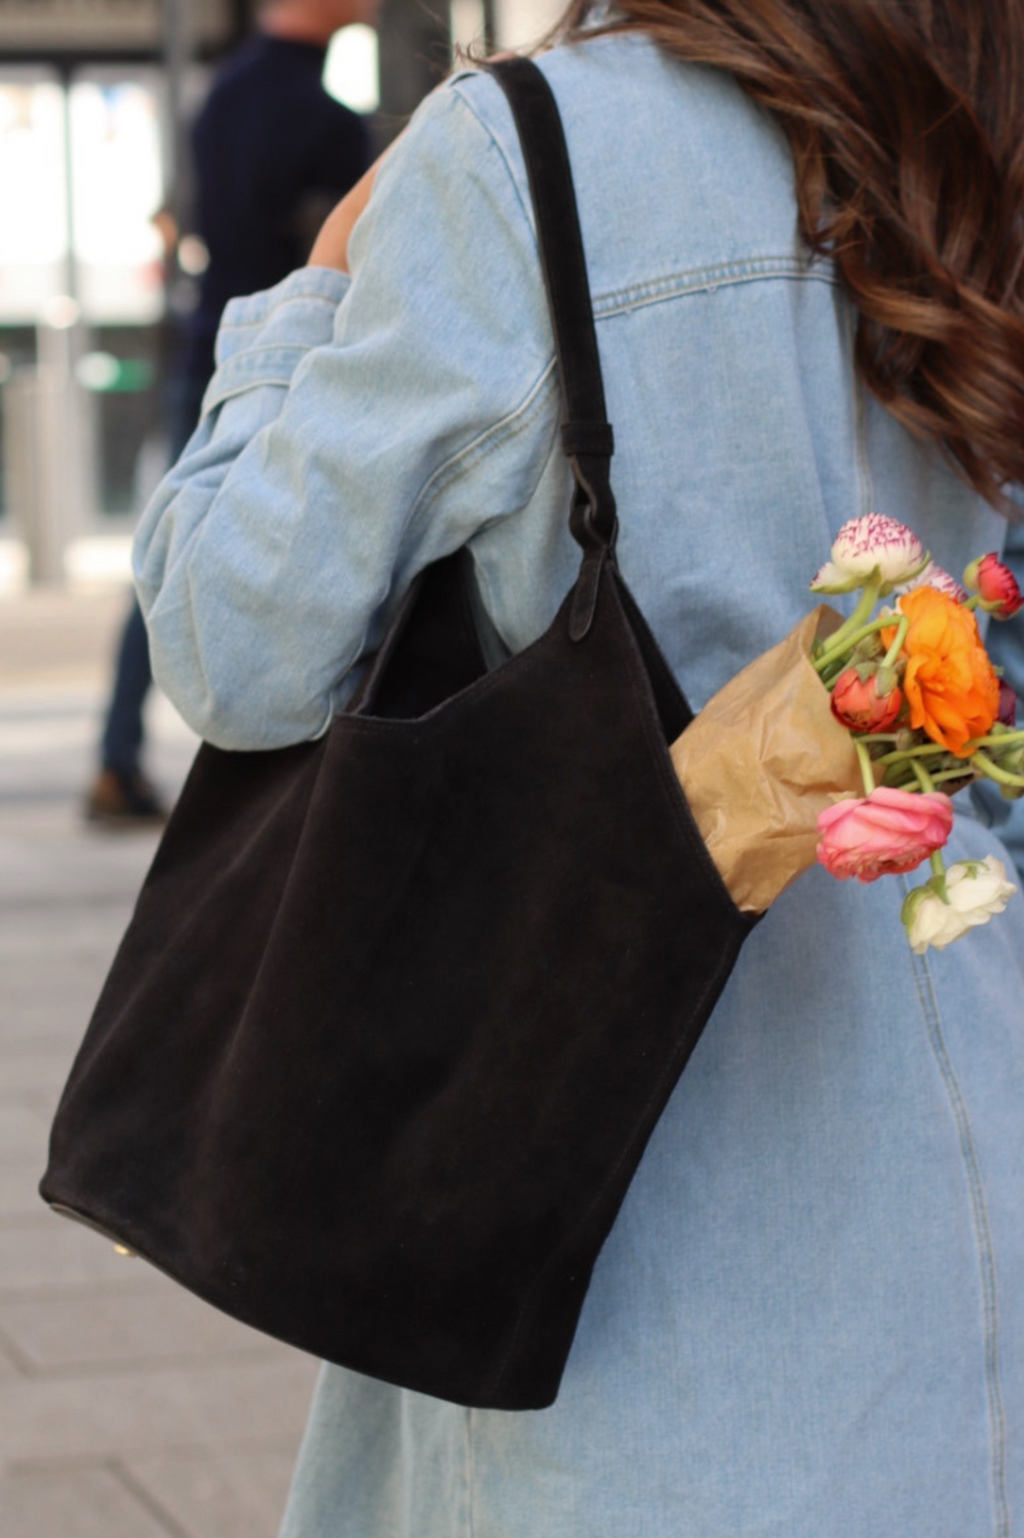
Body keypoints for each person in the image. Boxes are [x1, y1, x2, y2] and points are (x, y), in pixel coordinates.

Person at [133, 2, 1024, 1534]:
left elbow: (237, 641)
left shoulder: (525, 151)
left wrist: (309, 291)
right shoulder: (979, 121)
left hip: (649, 1290)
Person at [85, 0, 374, 826]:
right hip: (286, 369)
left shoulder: (219, 94)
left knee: (173, 556)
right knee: (314, 559)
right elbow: (335, 273)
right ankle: (297, 797)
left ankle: (116, 759)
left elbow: (177, 216)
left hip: (204, 354)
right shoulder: (326, 123)